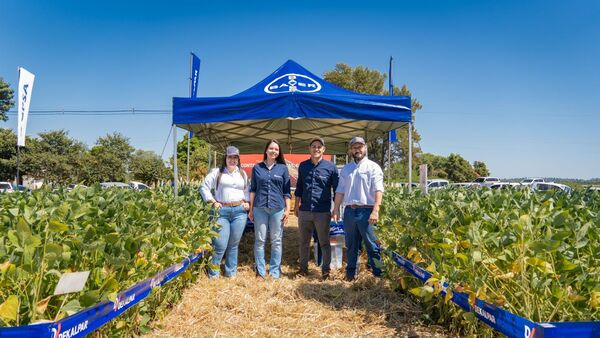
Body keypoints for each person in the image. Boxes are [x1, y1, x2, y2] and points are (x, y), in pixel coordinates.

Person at [333, 136, 384, 281]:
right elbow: (340, 190)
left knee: (372, 246)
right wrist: (336, 208)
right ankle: (350, 275)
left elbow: (378, 190)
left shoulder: (373, 167)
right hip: (349, 211)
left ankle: (378, 275)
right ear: (351, 150)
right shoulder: (346, 169)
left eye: (360, 146)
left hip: (367, 211)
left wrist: (375, 210)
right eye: (355, 147)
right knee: (351, 245)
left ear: (365, 148)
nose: (358, 149)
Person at [200, 146, 250, 278]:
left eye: (235, 157)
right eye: (230, 157)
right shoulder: (217, 172)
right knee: (220, 244)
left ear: (238, 159)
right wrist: (212, 201)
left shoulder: (242, 174)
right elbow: (204, 187)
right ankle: (213, 273)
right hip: (222, 211)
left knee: (233, 244)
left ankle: (230, 272)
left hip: (239, 212)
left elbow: (246, 191)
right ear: (225, 158)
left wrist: (247, 202)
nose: (233, 160)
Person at [294, 137, 338, 280]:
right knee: (303, 242)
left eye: (319, 146)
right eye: (314, 146)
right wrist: (296, 206)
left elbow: (336, 190)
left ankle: (326, 272)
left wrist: (336, 209)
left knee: (324, 242)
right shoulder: (303, 166)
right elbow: (299, 187)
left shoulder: (331, 167)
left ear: (324, 149)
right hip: (305, 210)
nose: (316, 148)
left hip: (322, 211)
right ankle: (303, 270)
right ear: (309, 149)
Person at [248, 139, 291, 279]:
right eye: (271, 148)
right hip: (259, 208)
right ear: (266, 150)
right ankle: (260, 271)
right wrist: (251, 209)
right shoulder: (257, 168)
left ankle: (274, 272)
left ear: (279, 153)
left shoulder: (283, 169)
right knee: (260, 240)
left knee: (276, 241)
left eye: (276, 149)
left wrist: (287, 209)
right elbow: (253, 189)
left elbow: (286, 191)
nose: (274, 151)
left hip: (277, 209)